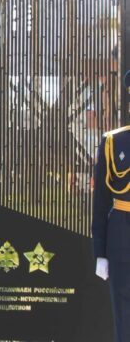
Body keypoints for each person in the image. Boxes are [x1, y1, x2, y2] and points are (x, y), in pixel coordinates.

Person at [92, 69, 130, 342]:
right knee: (124, 318)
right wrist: (100, 252)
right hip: (122, 236)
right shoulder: (114, 141)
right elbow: (101, 202)